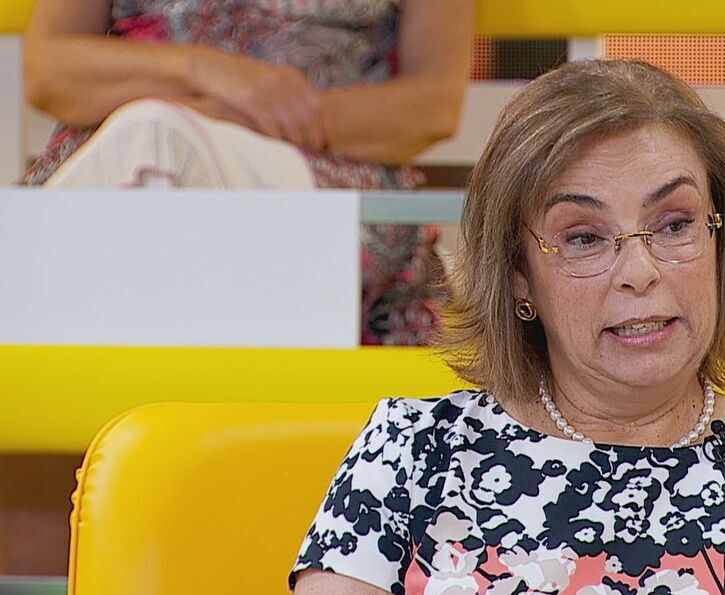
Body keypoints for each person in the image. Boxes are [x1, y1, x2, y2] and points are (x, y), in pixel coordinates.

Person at [286, 59, 725, 595]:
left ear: (721, 242)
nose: (639, 271)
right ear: (519, 276)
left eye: (675, 225)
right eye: (583, 237)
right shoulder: (409, 451)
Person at [21, 0, 473, 345]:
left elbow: (433, 105)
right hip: (115, 150)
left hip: (321, 167)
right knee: (151, 139)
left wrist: (246, 116)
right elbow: (48, 71)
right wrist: (204, 70)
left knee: (162, 145)